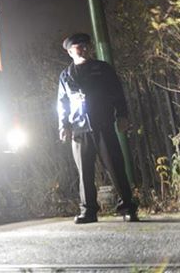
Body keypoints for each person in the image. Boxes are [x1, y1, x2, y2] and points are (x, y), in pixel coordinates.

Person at [57, 33, 139, 223]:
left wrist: (122, 115)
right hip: (79, 128)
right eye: (80, 46)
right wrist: (64, 125)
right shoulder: (65, 75)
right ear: (70, 51)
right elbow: (62, 103)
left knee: (115, 166)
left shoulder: (102, 69)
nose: (85, 48)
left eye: (86, 45)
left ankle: (128, 207)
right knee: (84, 171)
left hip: (102, 123)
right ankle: (88, 211)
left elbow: (116, 92)